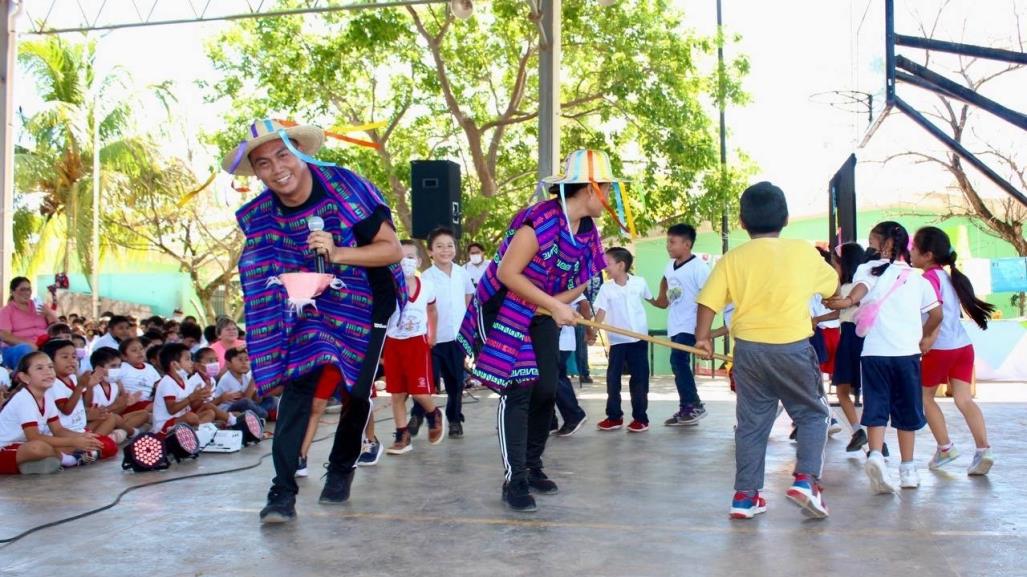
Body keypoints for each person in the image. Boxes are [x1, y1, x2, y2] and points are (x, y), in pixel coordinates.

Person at [224, 119, 404, 524]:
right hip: (307, 299)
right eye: (263, 163)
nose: (277, 168)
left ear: (300, 152)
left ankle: (341, 467)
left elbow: (390, 250)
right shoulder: (262, 216)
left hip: (368, 293)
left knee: (356, 390)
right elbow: (260, 265)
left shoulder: (345, 187)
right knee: (300, 387)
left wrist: (338, 253)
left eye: (283, 154)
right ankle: (282, 491)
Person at [457, 149, 613, 512]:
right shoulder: (539, 220)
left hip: (541, 311)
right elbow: (509, 274)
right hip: (504, 308)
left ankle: (532, 463)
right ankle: (515, 478)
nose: (610, 194)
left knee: (546, 387)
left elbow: (582, 281)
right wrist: (555, 305)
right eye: (606, 186)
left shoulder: (589, 233)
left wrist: (557, 304)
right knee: (521, 388)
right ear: (591, 189)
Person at [694, 181, 838, 520]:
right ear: (786, 219)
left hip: (748, 352)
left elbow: (708, 301)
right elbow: (832, 285)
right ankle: (806, 480)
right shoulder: (802, 251)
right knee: (814, 413)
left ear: (742, 222)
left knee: (752, 424)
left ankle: (745, 497)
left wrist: (702, 338)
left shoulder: (732, 259)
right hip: (792, 348)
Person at [826, 221, 942, 494]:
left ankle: (876, 455)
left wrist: (844, 302)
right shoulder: (917, 278)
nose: (869, 245)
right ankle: (909, 470)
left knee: (875, 409)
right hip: (906, 355)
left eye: (872, 240)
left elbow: (857, 294)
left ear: (885, 244)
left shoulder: (867, 270)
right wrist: (924, 337)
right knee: (906, 412)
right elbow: (937, 314)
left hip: (874, 354)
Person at [911, 226, 996, 475]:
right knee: (964, 399)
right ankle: (984, 450)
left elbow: (935, 314)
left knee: (924, 397)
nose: (911, 253)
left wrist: (927, 338)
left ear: (927, 255)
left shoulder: (928, 279)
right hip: (963, 347)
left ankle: (945, 448)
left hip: (940, 348)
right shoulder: (949, 276)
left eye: (914, 248)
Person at [384, 240, 445, 454]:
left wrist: (432, 334)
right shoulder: (387, 286)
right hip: (393, 342)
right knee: (397, 393)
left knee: (419, 392)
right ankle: (403, 435)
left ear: (419, 261)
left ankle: (434, 413)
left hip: (416, 343)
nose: (405, 261)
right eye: (401, 257)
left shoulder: (427, 286)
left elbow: (433, 311)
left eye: (410, 257)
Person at [0, 351, 106, 474]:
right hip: (7, 448)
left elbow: (58, 430)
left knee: (76, 440)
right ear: (24, 377)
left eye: (50, 367)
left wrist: (81, 437)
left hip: (23, 445)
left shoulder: (46, 396)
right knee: (38, 447)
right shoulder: (24, 399)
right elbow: (34, 437)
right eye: (39, 368)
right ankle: (69, 460)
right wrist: (73, 441)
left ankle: (38, 465)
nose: (48, 371)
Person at [651, 224, 711, 426]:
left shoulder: (699, 268)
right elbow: (666, 279)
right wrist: (661, 298)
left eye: (672, 242)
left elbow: (707, 299)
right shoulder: (670, 265)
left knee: (678, 361)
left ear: (687, 244)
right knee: (677, 364)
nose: (668, 246)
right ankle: (687, 406)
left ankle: (693, 404)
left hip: (690, 324)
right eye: (668, 241)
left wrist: (702, 331)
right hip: (675, 324)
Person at [419, 227, 475, 438]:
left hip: (457, 337)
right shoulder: (426, 277)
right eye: (439, 246)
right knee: (429, 380)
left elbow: (469, 297)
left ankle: (454, 419)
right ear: (431, 251)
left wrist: (468, 328)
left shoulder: (462, 273)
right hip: (434, 338)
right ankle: (424, 415)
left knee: (455, 383)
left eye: (450, 245)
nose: (445, 250)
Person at [593, 247, 653, 433]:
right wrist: (593, 331)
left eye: (608, 263)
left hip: (638, 339)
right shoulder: (606, 288)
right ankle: (614, 417)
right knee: (613, 380)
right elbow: (601, 312)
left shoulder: (639, 283)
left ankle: (640, 419)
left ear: (621, 265)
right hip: (617, 341)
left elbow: (652, 299)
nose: (605, 267)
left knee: (639, 380)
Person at [829, 242, 870, 452]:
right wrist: (819, 318)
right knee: (871, 391)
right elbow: (840, 312)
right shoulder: (867, 287)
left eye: (835, 263)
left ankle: (858, 431)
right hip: (868, 341)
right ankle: (877, 439)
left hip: (849, 340)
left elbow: (840, 310)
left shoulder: (845, 289)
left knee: (842, 391)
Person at [152, 343, 216, 435]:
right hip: (165, 425)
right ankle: (198, 433)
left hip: (182, 420)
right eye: (187, 359)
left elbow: (193, 406)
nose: (191, 363)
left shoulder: (185, 379)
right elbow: (172, 409)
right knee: (191, 417)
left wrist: (202, 396)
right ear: (175, 364)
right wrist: (191, 398)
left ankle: (196, 433)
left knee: (210, 413)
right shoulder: (167, 382)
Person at [85, 347, 150, 436]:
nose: (117, 370)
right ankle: (131, 432)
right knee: (112, 417)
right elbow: (88, 414)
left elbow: (118, 410)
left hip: (113, 420)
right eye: (113, 366)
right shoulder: (89, 384)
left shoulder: (116, 383)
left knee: (144, 414)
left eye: (119, 366)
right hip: (95, 424)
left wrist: (126, 403)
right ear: (99, 368)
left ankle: (117, 432)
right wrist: (115, 406)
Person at [551, 295, 589, 437]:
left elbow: (584, 304)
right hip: (549, 338)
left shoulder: (565, 279)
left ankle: (574, 414)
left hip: (561, 339)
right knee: (546, 380)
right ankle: (549, 421)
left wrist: (588, 329)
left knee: (556, 377)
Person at [0, 277, 57, 370]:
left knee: (63, 348)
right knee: (25, 348)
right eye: (22, 289)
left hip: (42, 345)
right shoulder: (6, 311)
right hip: (15, 349)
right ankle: (19, 378)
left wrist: (49, 314)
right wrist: (29, 344)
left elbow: (57, 328)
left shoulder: (40, 305)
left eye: (29, 289)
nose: (27, 292)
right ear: (12, 291)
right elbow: (4, 336)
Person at [215, 347, 277, 420]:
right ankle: (263, 415)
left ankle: (259, 415)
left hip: (246, 407)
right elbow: (245, 400)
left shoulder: (245, 377)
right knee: (245, 402)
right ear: (228, 364)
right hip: (228, 410)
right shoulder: (227, 379)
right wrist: (253, 379)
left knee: (272, 399)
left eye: (247, 360)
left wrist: (260, 385)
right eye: (240, 359)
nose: (244, 363)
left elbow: (256, 400)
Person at [117, 337, 162, 414]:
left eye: (141, 349)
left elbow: (160, 385)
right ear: (124, 356)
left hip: (147, 403)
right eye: (134, 350)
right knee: (158, 407)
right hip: (129, 404)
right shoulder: (122, 367)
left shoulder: (150, 368)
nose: (139, 352)